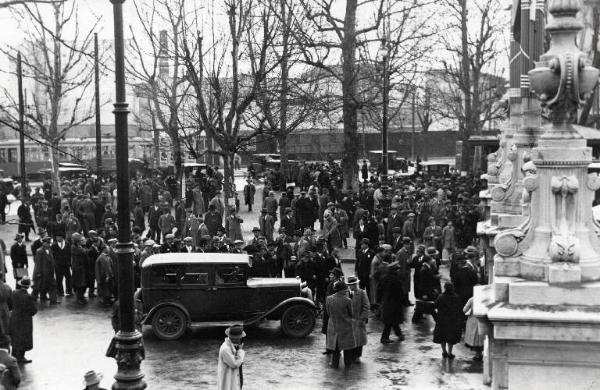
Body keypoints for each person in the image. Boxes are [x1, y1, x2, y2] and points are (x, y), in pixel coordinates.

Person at [325, 280, 355, 369]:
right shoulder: (347, 300)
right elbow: (352, 313)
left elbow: (328, 312)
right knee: (347, 348)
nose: (346, 290)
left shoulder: (329, 298)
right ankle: (348, 364)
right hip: (345, 326)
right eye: (345, 289)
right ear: (341, 290)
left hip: (333, 326)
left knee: (336, 348)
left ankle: (334, 364)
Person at [9, 276, 37, 364]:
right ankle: (21, 357)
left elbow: (10, 305)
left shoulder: (14, 293)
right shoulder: (28, 297)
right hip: (25, 320)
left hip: (14, 317)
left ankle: (13, 355)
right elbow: (33, 310)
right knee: (24, 337)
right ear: (28, 286)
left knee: (15, 336)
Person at [433, 282, 463, 359]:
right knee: (451, 337)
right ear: (452, 288)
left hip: (442, 320)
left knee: (442, 336)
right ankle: (450, 353)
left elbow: (435, 305)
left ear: (445, 288)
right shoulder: (456, 297)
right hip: (452, 320)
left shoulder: (440, 297)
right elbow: (460, 307)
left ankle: (444, 352)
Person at [378, 263, 405, 344]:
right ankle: (384, 338)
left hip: (386, 302)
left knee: (392, 320)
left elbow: (379, 290)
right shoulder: (396, 280)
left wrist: (379, 301)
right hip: (394, 303)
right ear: (395, 270)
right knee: (390, 321)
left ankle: (399, 334)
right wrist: (402, 301)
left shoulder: (384, 278)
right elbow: (400, 293)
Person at [347, 276, 369, 362]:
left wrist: (362, 318)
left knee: (359, 340)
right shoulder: (346, 293)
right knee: (350, 339)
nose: (353, 286)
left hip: (358, 320)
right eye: (351, 285)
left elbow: (366, 306)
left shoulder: (362, 293)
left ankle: (357, 356)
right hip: (349, 321)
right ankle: (351, 356)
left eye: (354, 284)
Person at [217, 324, 246, 390]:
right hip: (228, 383)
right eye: (240, 338)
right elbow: (235, 364)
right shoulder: (225, 349)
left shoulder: (233, 346)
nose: (241, 340)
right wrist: (240, 351)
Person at [32, 236, 58, 304]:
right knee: (38, 287)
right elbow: (37, 263)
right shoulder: (39, 251)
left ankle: (53, 300)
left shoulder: (50, 250)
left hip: (50, 272)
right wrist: (38, 273)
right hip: (42, 273)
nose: (49, 244)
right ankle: (33, 299)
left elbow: (51, 260)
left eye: (49, 243)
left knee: (52, 285)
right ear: (43, 243)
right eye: (47, 243)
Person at [463, 296, 484, 361]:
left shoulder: (472, 299)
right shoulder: (485, 298)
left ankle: (478, 354)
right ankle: (479, 353)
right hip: (483, 320)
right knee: (481, 339)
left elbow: (464, 310)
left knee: (475, 339)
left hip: (473, 320)